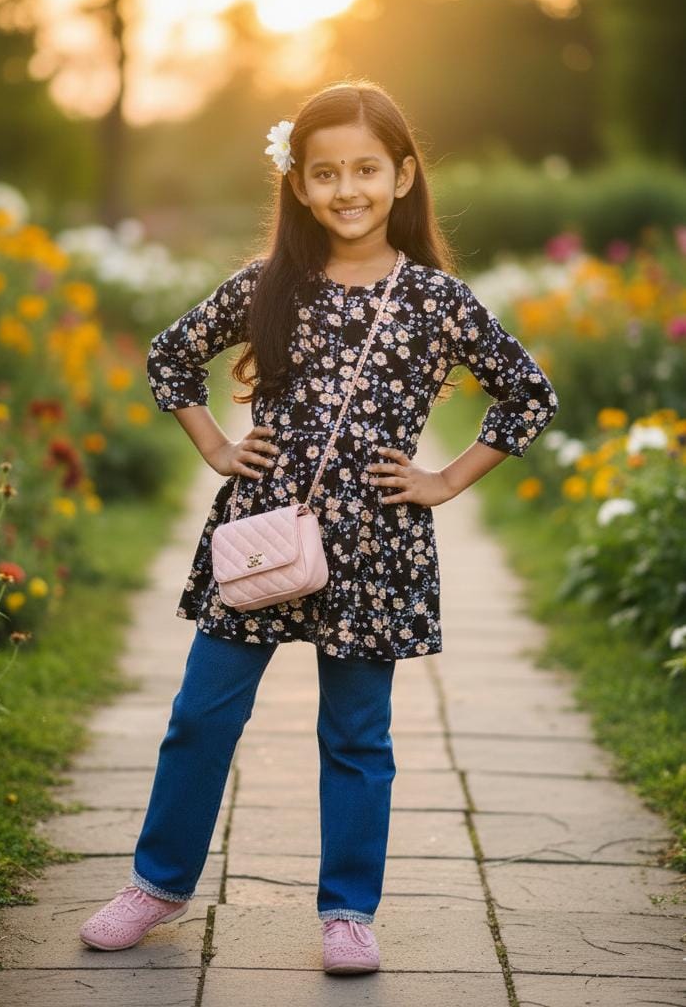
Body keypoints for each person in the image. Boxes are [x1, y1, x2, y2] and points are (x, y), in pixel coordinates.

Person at [79, 79, 559, 974]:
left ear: (404, 176)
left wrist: (445, 479)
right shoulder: (268, 285)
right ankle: (156, 883)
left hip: (376, 546)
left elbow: (529, 394)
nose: (348, 189)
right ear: (298, 184)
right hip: (262, 534)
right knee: (200, 714)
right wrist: (217, 448)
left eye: (367, 169)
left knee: (356, 734)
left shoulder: (434, 299)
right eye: (326, 172)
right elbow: (171, 353)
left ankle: (347, 911)